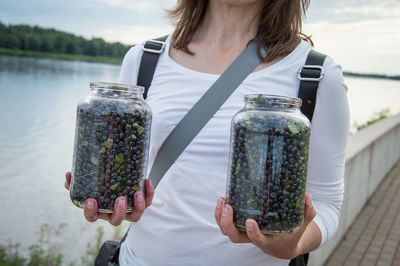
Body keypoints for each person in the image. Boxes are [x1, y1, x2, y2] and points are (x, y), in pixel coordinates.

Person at [65, 0, 350, 265]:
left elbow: (327, 203)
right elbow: (124, 173)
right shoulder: (144, 59)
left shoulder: (315, 74)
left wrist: (293, 245)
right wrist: (111, 196)